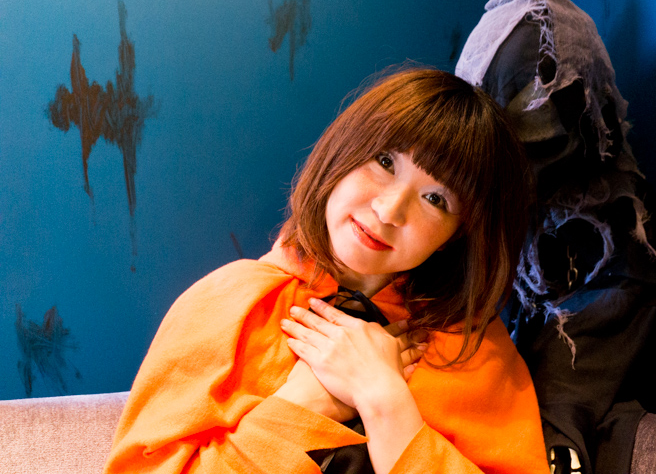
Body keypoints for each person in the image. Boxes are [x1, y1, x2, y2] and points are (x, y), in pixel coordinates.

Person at [103, 68, 551, 474]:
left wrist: (384, 400)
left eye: (436, 199)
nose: (389, 210)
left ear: (456, 234)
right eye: (385, 162)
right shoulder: (229, 302)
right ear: (345, 149)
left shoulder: (471, 348)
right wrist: (306, 403)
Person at [456, 0, 656, 474]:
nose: (524, 169)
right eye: (506, 143)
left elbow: (600, 326)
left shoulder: (612, 217)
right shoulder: (468, 198)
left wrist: (559, 427)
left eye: (540, 144)